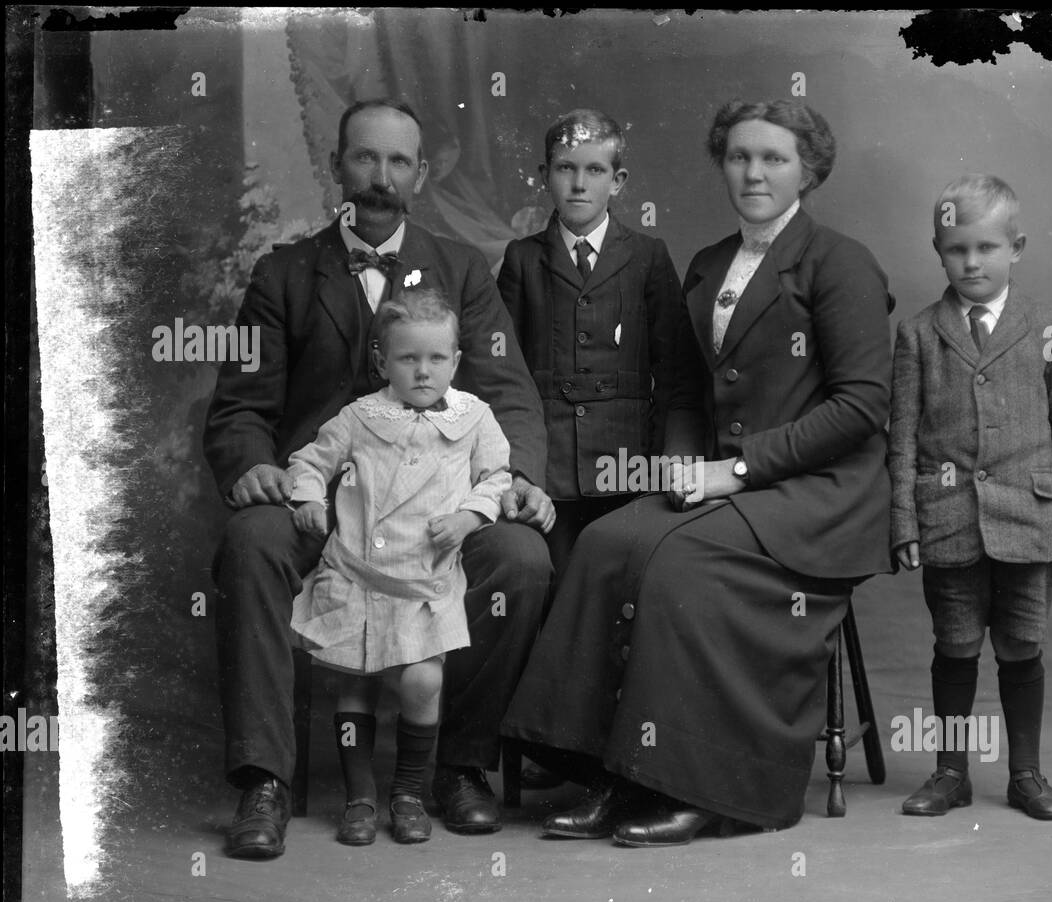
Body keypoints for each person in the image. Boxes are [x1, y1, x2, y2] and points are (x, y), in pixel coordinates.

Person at [501, 99, 894, 846]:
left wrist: (737, 469)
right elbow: (684, 384)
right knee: (607, 543)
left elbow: (861, 408)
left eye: (774, 158)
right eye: (740, 156)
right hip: (728, 480)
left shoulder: (841, 262)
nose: (754, 172)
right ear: (722, 164)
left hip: (818, 493)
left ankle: (700, 786)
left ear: (807, 169)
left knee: (679, 566)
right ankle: (607, 772)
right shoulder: (712, 263)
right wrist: (685, 463)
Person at [206, 98, 554, 859]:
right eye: (365, 158)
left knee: (520, 561)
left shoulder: (463, 269)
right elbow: (240, 406)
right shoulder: (284, 272)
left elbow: (507, 390)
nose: (381, 177)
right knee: (249, 544)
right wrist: (258, 464)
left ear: (421, 174)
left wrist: (519, 473)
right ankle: (263, 779)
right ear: (338, 166)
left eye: (399, 162)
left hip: (432, 504)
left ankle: (456, 766)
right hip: (321, 507)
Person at [887, 174, 1052, 820]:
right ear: (937, 249)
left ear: (1017, 247)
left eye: (985, 248)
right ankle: (951, 772)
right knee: (954, 645)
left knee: (1021, 645)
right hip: (948, 520)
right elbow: (901, 436)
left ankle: (1026, 773)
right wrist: (904, 521)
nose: (971, 262)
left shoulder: (1049, 327)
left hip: (1028, 521)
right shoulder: (920, 335)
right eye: (956, 249)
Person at [286, 288, 511, 845]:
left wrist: (468, 517)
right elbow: (311, 461)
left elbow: (497, 477)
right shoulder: (362, 418)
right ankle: (359, 797)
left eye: (437, 359)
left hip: (424, 582)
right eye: (408, 359)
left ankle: (408, 791)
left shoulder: (473, 418)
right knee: (356, 686)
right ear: (382, 361)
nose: (423, 371)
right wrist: (310, 499)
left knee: (422, 679)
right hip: (359, 575)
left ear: (456, 362)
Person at [497, 108, 684, 581]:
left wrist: (662, 464)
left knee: (622, 588)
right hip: (550, 466)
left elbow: (677, 373)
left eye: (594, 170)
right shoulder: (522, 260)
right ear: (545, 176)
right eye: (565, 168)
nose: (579, 184)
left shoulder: (647, 256)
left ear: (617, 181)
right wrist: (520, 467)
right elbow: (507, 375)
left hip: (627, 464)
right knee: (552, 586)